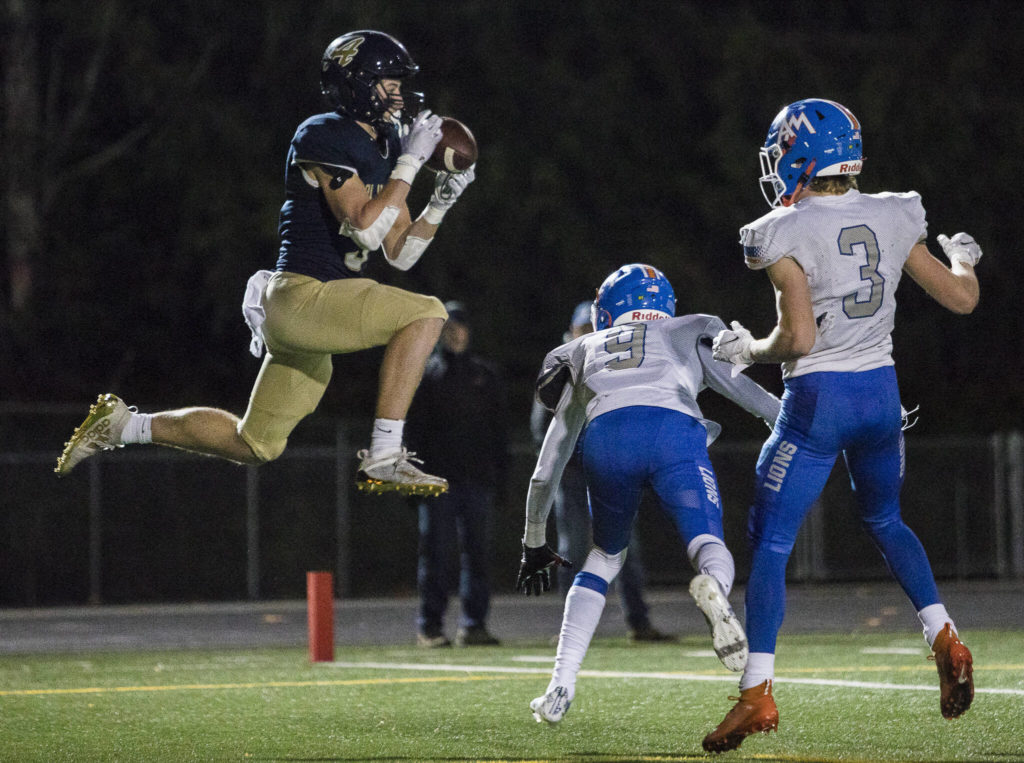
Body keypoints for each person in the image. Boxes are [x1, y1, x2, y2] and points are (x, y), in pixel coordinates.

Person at [54, 30, 475, 496]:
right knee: (428, 313)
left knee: (256, 443)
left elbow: (399, 253)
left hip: (315, 314)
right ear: (355, 83)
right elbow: (364, 229)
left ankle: (121, 426)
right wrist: (411, 165)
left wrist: (440, 203)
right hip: (301, 297)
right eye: (389, 83)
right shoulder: (323, 133)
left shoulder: (389, 146)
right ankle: (383, 455)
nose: (399, 94)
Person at [703, 98, 981, 753]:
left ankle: (756, 692)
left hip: (819, 400)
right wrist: (964, 256)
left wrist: (747, 350)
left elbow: (797, 337)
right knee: (886, 519)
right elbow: (962, 298)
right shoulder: (893, 211)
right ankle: (942, 631)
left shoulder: (783, 228)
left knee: (770, 542)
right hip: (881, 397)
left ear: (799, 157)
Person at [515, 263, 781, 725]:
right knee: (707, 544)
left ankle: (560, 684)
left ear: (607, 308)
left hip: (607, 438)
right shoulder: (687, 330)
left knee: (603, 557)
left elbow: (548, 465)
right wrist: (805, 429)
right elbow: (753, 398)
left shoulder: (581, 349)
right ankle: (713, 589)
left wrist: (533, 540)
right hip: (672, 430)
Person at [529, 301, 674, 642]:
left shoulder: (613, 361)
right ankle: (571, 629)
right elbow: (542, 426)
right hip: (575, 476)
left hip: (611, 474)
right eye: (583, 328)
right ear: (572, 330)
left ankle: (639, 622)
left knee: (625, 549)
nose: (588, 334)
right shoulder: (560, 363)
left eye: (592, 328)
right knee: (572, 548)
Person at [406, 301, 508, 647]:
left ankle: (474, 625)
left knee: (477, 554)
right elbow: (413, 433)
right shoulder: (426, 374)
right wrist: (412, 480)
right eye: (449, 327)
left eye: (461, 327)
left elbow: (499, 432)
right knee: (435, 555)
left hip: (476, 481)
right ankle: (430, 626)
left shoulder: (485, 375)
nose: (456, 333)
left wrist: (502, 478)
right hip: (436, 484)